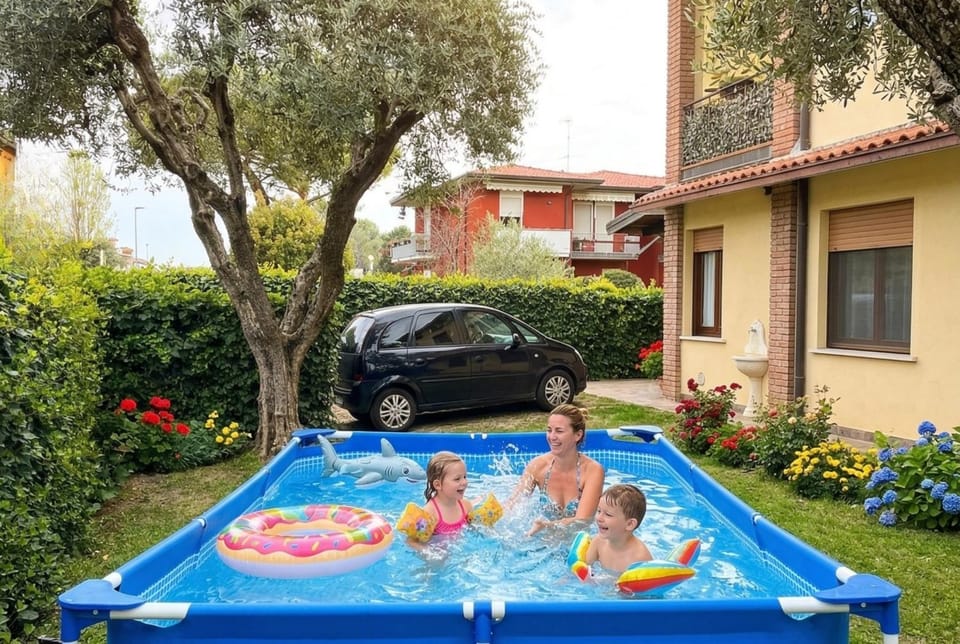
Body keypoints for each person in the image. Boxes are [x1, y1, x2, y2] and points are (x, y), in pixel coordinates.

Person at [509, 404, 605, 536]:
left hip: (577, 540)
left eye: (559, 431)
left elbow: (583, 521)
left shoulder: (592, 471)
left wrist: (546, 526)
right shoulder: (537, 466)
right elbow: (513, 505)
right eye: (549, 430)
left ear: (577, 435)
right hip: (543, 537)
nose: (552, 437)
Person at [583, 484, 653, 573]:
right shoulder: (598, 542)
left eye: (608, 514)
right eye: (599, 511)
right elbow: (585, 569)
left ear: (630, 524)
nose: (599, 518)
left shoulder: (640, 558)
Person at [422, 451, 475, 535]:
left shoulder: (466, 506)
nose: (464, 482)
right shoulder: (429, 513)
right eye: (457, 479)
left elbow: (475, 530)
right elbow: (414, 541)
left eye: (464, 477)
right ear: (438, 485)